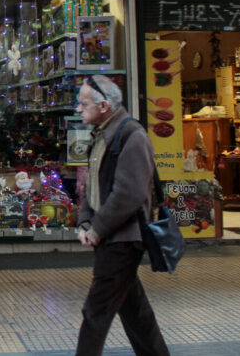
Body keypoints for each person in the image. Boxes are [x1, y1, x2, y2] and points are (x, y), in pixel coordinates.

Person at [73, 75, 170, 356]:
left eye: (84, 104)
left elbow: (129, 194)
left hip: (124, 240)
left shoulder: (131, 135)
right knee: (135, 312)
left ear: (103, 106)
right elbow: (92, 186)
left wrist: (97, 228)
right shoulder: (102, 134)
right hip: (112, 238)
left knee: (96, 312)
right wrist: (85, 221)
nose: (79, 109)